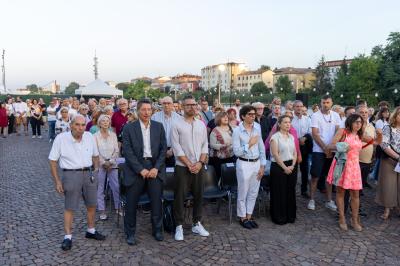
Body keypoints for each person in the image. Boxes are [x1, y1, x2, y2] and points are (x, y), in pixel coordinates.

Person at [49, 115, 105, 251]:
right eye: (77, 125)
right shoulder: (61, 139)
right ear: (71, 126)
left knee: (92, 204)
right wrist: (57, 181)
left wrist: (96, 171)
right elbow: (52, 161)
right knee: (70, 206)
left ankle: (91, 230)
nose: (81, 128)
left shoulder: (89, 136)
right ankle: (67, 236)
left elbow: (95, 155)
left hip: (89, 173)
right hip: (70, 174)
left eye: (83, 125)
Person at [122, 99, 167, 245]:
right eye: (143, 109)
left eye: (149, 109)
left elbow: (163, 150)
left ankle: (157, 230)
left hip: (154, 168)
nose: (147, 112)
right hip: (136, 169)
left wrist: (156, 168)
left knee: (156, 203)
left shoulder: (159, 127)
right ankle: (130, 233)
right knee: (131, 204)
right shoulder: (129, 128)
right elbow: (127, 152)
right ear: (138, 111)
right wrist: (140, 169)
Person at [327, 114, 380, 231]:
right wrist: (342, 146)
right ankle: (341, 218)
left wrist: (380, 134)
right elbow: (330, 146)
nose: (358, 124)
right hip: (342, 165)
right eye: (356, 122)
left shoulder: (360, 135)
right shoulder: (343, 131)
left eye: (360, 122)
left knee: (356, 194)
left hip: (355, 167)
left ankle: (354, 220)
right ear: (350, 122)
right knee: (340, 193)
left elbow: (376, 142)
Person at [171, 95, 210, 241]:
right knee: (180, 197)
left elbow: (205, 145)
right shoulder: (176, 124)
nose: (192, 107)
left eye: (194, 105)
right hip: (182, 167)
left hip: (199, 166)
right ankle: (179, 225)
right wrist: (189, 164)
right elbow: (176, 147)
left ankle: (196, 223)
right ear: (182, 107)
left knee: (199, 195)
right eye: (188, 105)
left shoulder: (200, 124)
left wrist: (200, 163)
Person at [232, 105, 266, 229]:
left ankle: (249, 215)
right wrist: (249, 144)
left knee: (253, 191)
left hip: (256, 163)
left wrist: (262, 165)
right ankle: (242, 217)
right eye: (250, 114)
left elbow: (262, 148)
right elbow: (236, 152)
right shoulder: (237, 130)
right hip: (243, 163)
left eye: (254, 114)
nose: (253, 117)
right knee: (243, 191)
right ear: (243, 116)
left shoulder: (257, 128)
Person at [308, 95, 341, 211]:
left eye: (327, 102)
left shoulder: (336, 115)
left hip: (332, 150)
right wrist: (325, 148)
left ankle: (329, 200)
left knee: (329, 177)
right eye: (323, 102)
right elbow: (315, 134)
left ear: (331, 103)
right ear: (320, 103)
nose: (325, 104)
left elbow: (338, 132)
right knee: (315, 176)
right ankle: (312, 199)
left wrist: (331, 147)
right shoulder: (315, 116)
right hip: (318, 150)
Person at [269, 115, 297, 225]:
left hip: (291, 166)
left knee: (290, 191)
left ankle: (290, 216)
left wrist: (293, 166)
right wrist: (285, 168)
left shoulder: (291, 137)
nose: (288, 124)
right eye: (285, 122)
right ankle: (279, 217)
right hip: (278, 167)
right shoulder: (275, 137)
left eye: (289, 122)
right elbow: (275, 154)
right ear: (279, 124)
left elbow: (294, 153)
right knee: (279, 192)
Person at [94, 114, 120, 221]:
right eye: (103, 121)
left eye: (107, 121)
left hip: (112, 164)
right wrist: (103, 162)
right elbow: (95, 152)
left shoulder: (113, 135)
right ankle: (102, 210)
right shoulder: (95, 136)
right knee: (100, 188)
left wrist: (111, 162)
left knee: (116, 186)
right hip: (100, 165)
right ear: (99, 123)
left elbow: (116, 150)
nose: (105, 123)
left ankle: (118, 207)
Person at [376, 107, 400, 220]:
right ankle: (387, 208)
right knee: (388, 185)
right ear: (395, 116)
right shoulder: (387, 128)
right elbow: (384, 145)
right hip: (390, 160)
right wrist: (397, 157)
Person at [151, 96, 181, 167]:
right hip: (158, 151)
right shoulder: (154, 117)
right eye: (164, 103)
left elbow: (180, 136)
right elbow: (152, 135)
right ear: (161, 104)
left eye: (168, 103)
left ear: (172, 104)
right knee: (158, 173)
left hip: (174, 151)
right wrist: (162, 151)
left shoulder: (178, 118)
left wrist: (172, 150)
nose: (166, 105)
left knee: (172, 174)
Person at [292, 100, 312, 198]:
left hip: (304, 146)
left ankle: (304, 190)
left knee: (305, 170)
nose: (299, 108)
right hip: (293, 147)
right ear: (293, 108)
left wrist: (304, 138)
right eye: (297, 106)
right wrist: (297, 139)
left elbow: (310, 131)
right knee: (293, 169)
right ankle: (292, 189)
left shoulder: (307, 119)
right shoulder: (290, 119)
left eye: (301, 106)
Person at [209, 111, 235, 179]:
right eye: (223, 117)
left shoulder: (232, 129)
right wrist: (222, 146)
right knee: (218, 176)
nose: (226, 118)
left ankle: (228, 189)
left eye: (226, 117)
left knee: (229, 176)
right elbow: (212, 145)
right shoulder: (215, 130)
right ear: (219, 119)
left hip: (230, 157)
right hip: (218, 159)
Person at [372, 107, 390, 182]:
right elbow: (380, 133)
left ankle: (377, 176)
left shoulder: (387, 122)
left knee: (382, 161)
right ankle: (374, 177)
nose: (387, 113)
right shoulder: (379, 121)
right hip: (381, 143)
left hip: (387, 143)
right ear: (381, 113)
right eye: (385, 112)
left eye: (388, 112)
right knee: (379, 161)